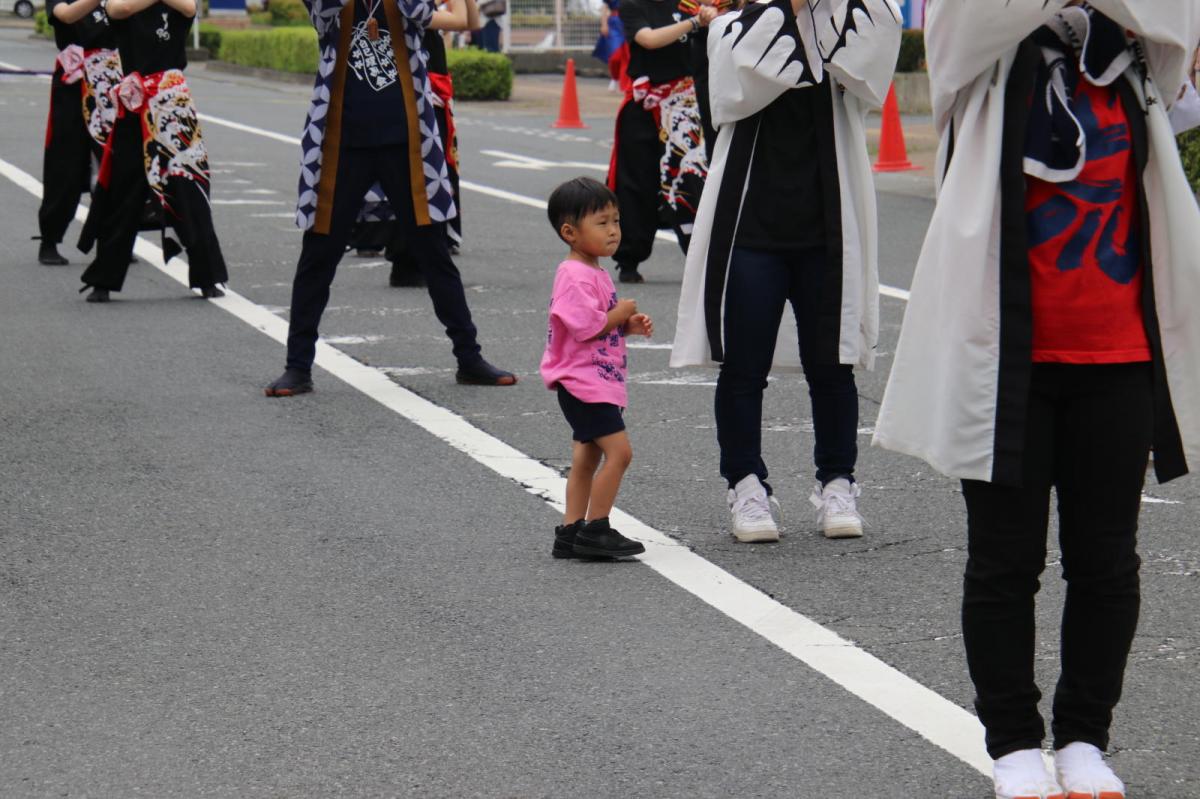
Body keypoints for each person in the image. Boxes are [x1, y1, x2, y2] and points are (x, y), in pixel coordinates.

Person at [874, 3, 1200, 798]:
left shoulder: (1135, 57)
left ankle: (1086, 737)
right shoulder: (977, 56)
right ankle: (1014, 742)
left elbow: (1176, 22)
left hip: (1120, 352)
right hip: (1005, 359)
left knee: (1106, 563)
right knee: (1004, 561)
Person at [671, 0, 900, 543]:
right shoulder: (733, 28)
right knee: (744, 367)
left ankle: (837, 482)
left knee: (832, 365)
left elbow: (874, 70)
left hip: (828, 225)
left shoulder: (856, 18)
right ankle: (747, 485)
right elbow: (730, 97)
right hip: (751, 226)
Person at [265, 0, 514, 397]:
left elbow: (462, 19)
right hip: (340, 142)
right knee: (319, 252)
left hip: (408, 141)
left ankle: (469, 357)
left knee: (433, 251)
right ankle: (297, 367)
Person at [77, 0, 228, 303]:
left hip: (173, 105)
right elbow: (116, 10)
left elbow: (188, 8)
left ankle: (207, 276)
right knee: (124, 190)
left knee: (189, 187)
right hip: (136, 102)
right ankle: (103, 279)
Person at [541, 177, 652, 559]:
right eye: (601, 223)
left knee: (586, 459)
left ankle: (570, 530)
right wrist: (619, 313)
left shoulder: (594, 271)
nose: (613, 231)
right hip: (583, 383)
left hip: (593, 380)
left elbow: (594, 323)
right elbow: (587, 325)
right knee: (619, 454)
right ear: (570, 232)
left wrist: (625, 325)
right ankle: (596, 528)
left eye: (616, 221)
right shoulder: (573, 275)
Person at [605, 0, 710, 284]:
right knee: (636, 184)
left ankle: (702, 257)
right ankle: (629, 258)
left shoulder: (691, 3)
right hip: (646, 107)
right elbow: (648, 40)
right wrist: (695, 22)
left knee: (690, 180)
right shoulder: (634, 6)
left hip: (686, 108)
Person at [36, 0, 121, 266]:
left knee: (115, 161)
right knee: (66, 160)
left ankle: (115, 239)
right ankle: (50, 238)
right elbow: (67, 15)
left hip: (111, 82)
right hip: (74, 82)